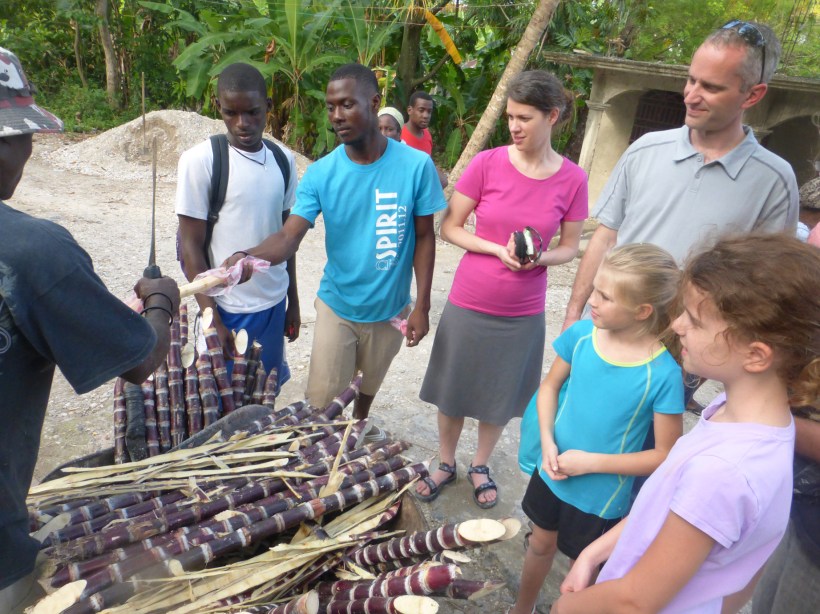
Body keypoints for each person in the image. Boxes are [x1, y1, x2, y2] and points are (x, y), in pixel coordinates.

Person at [0, 46, 180, 613]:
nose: (28, 151)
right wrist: (161, 301)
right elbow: (141, 361)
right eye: (21, 136)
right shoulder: (33, 250)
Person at [552, 234, 820, 614]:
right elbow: (667, 513)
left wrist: (565, 609)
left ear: (757, 356)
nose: (676, 325)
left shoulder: (725, 473)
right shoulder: (743, 411)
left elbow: (636, 600)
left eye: (694, 320)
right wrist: (596, 551)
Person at [223, 63, 446, 420]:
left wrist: (421, 305)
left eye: (347, 105)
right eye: (330, 107)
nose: (336, 116)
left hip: (390, 310)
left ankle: (357, 428)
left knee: (368, 386)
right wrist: (247, 256)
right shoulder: (322, 173)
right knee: (322, 406)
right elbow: (288, 235)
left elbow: (424, 237)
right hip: (337, 306)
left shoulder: (416, 166)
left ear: (374, 103)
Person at [416, 70, 588, 508]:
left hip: (522, 313)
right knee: (453, 388)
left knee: (500, 395)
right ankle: (446, 461)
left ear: (552, 116)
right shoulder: (487, 163)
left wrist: (538, 258)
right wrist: (497, 250)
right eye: (510, 116)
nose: (514, 126)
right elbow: (450, 227)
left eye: (524, 117)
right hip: (470, 301)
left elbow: (569, 248)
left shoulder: (572, 179)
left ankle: (480, 464)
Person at [562, 21, 798, 332]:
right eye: (691, 80)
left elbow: (764, 282)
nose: (691, 96)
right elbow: (605, 238)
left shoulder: (773, 182)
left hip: (686, 350)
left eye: (711, 87)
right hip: (603, 332)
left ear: (752, 95)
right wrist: (573, 314)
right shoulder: (644, 150)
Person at [509, 244, 684, 614]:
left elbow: (665, 455)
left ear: (642, 311)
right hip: (551, 468)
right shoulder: (582, 336)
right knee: (539, 543)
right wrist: (546, 442)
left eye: (605, 296)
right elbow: (550, 387)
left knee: (582, 569)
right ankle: (521, 608)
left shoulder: (663, 374)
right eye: (595, 289)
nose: (593, 300)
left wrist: (590, 463)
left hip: (601, 496)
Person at [176, 63, 299, 388]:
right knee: (220, 402)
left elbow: (287, 238)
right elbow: (191, 247)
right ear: (219, 108)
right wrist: (209, 315)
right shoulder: (201, 161)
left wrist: (293, 302)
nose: (242, 123)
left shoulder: (283, 160)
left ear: (268, 108)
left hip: (273, 304)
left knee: (263, 397)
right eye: (231, 113)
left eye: (253, 113)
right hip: (226, 309)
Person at [401, 90, 448, 188]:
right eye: (421, 110)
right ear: (410, 110)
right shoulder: (399, 135)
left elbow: (428, 163)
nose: (426, 116)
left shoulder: (427, 134)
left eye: (429, 111)